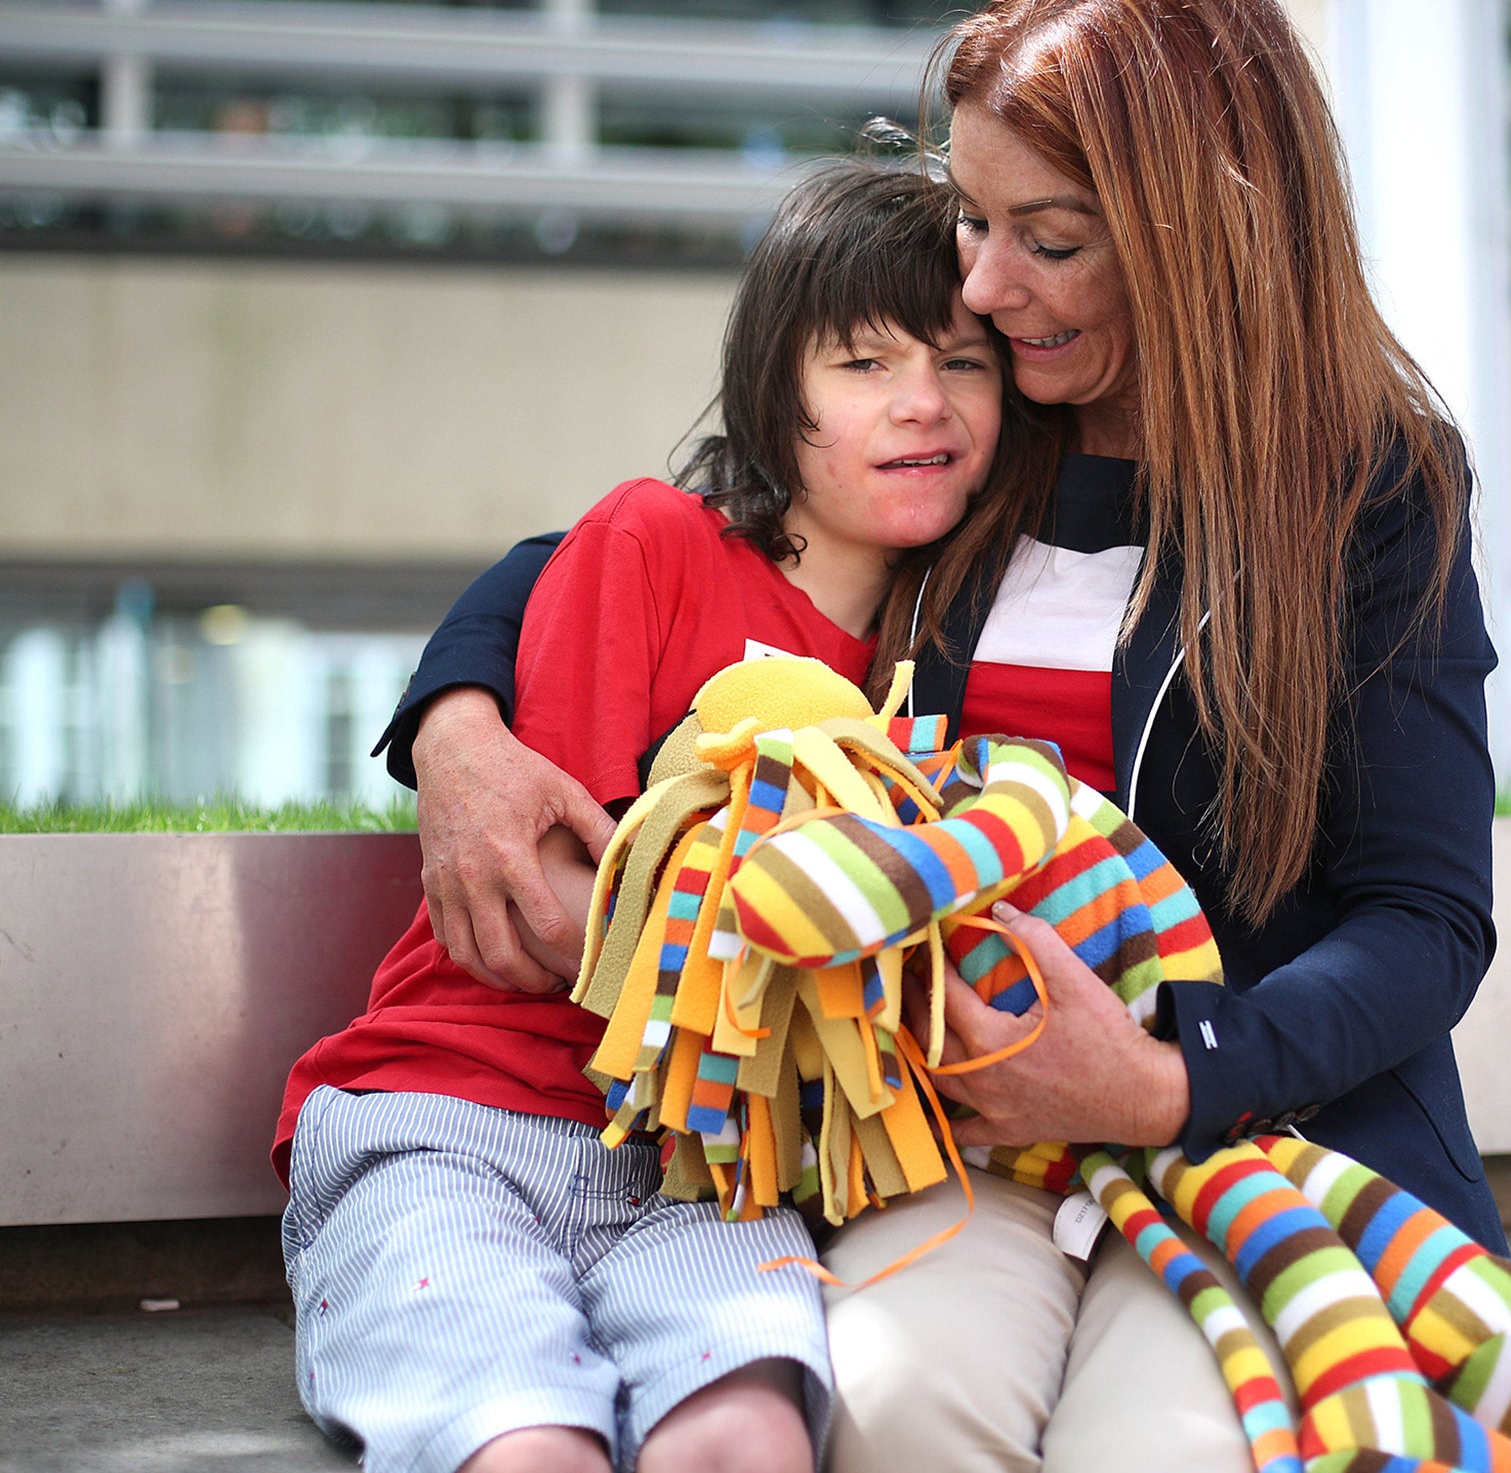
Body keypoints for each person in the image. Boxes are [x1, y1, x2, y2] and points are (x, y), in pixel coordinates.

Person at [380, 0, 1504, 1472]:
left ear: (1202, 236)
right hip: (965, 1139)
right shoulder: (984, 435)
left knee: (1156, 1456)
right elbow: (672, 534)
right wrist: (457, 721)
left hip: (1257, 1130)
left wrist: (1167, 1074)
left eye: (1045, 239)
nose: (978, 286)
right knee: (892, 1406)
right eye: (975, 220)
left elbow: (1425, 915)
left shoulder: (1372, 494)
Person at [273, 160, 1044, 1473]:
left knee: (750, 1438)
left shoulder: (940, 671)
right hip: (457, 1115)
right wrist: (831, 980)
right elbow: (539, 917)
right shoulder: (653, 545)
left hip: (703, 1170)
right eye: (863, 363)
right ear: (772, 388)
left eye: (964, 364)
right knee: (528, 1444)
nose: (924, 402)